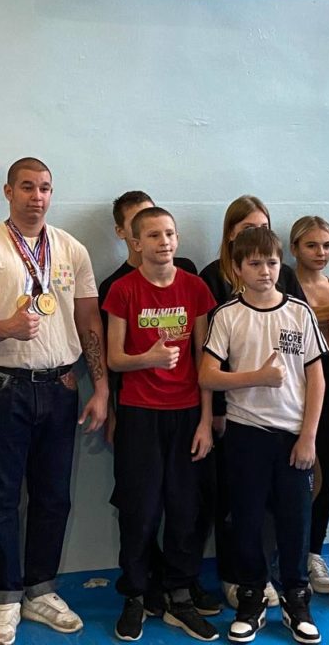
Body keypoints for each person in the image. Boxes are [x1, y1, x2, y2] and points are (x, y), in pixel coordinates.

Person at [0, 157, 108, 645]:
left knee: (53, 496)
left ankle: (41, 591)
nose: (36, 196)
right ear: (8, 192)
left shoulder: (71, 249)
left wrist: (102, 387)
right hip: (3, 389)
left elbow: (89, 322)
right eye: (26, 187)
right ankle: (6, 600)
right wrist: (8, 326)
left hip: (62, 387)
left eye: (44, 187)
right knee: (1, 500)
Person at [96, 191, 221, 620]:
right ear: (135, 242)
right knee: (140, 508)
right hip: (140, 414)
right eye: (153, 235)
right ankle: (135, 593)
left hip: (186, 414)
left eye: (169, 233)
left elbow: (204, 358)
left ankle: (179, 592)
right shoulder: (122, 290)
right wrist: (147, 358)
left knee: (185, 507)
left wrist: (205, 419)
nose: (163, 241)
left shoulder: (195, 288)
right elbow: (114, 358)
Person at [200, 228, 326, 645]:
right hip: (245, 435)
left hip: (292, 437)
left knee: (295, 522)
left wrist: (308, 436)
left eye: (271, 262)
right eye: (254, 263)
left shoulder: (299, 312)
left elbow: (317, 379)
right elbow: (207, 376)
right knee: (247, 521)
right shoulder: (227, 315)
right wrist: (257, 377)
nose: (265, 271)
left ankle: (296, 600)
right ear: (237, 268)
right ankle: (252, 599)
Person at [199, 196, 302, 609]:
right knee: (236, 501)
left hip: (284, 413)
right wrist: (217, 411)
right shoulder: (213, 278)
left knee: (279, 505)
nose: (264, 268)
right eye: (247, 229)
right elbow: (209, 357)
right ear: (230, 235)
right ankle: (236, 576)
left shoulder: (285, 278)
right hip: (236, 412)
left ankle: (271, 576)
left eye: (264, 228)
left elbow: (300, 351)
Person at [289, 216, 329, 595]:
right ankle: (287, 551)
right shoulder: (282, 286)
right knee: (293, 470)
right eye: (312, 245)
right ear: (295, 248)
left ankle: (314, 551)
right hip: (295, 381)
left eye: (326, 245)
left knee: (325, 469)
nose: (320, 253)